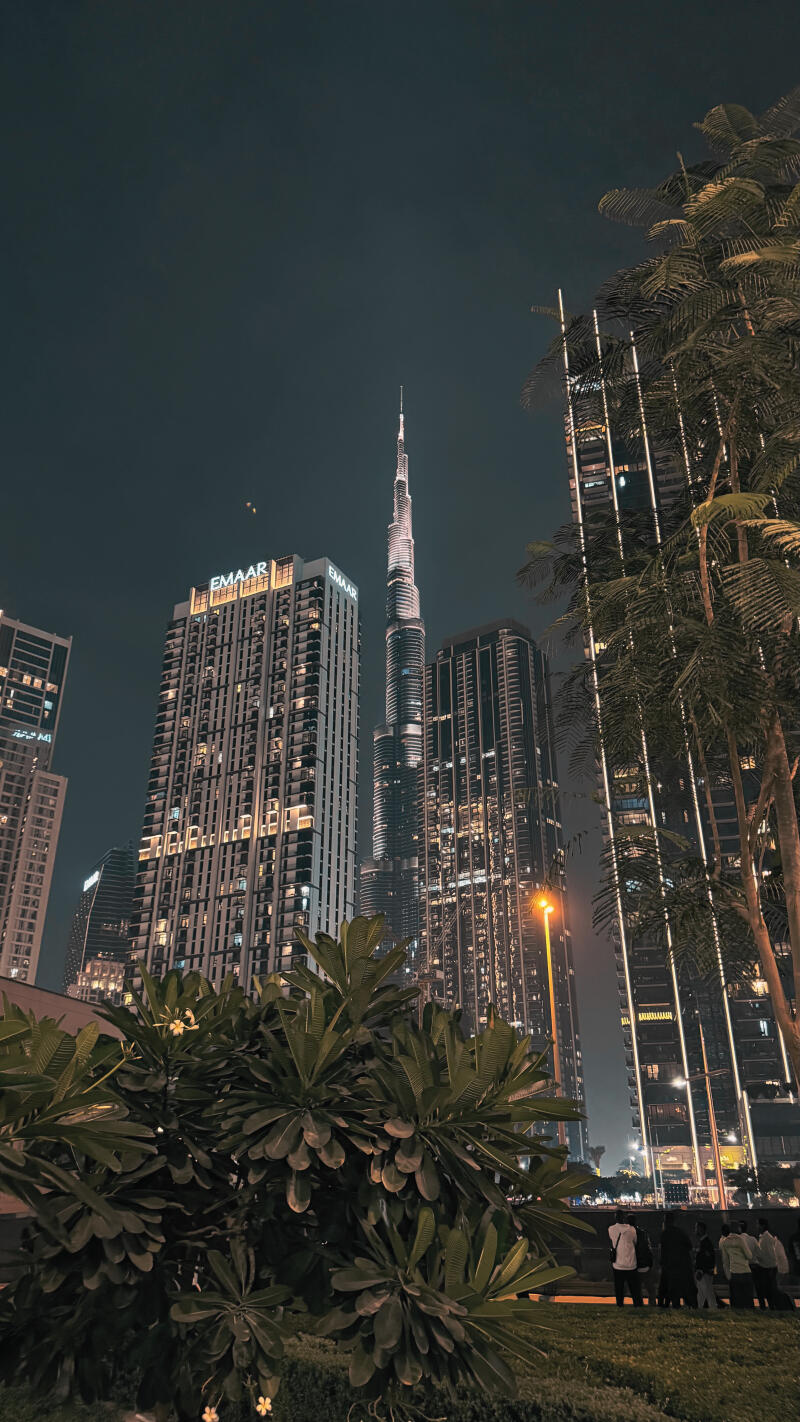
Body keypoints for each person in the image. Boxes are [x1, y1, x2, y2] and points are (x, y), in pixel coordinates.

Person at [658, 1212, 696, 1307]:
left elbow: (663, 1251)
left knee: (668, 1287)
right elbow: (689, 1246)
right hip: (680, 1265)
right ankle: (681, 1304)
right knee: (679, 1287)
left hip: (669, 1266)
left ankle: (667, 1304)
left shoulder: (665, 1234)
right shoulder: (680, 1232)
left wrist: (662, 1263)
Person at [608, 1208, 642, 1306]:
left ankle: (620, 1304)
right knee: (634, 1287)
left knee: (619, 1287)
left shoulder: (611, 1229)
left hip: (618, 1264)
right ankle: (637, 1304)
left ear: (615, 1217)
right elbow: (635, 1242)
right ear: (624, 1218)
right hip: (631, 1263)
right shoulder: (632, 1229)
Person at [720, 1222, 755, 1308]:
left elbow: (725, 1260)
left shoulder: (725, 1242)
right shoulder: (740, 1240)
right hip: (745, 1271)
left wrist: (728, 1275)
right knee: (747, 1297)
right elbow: (749, 1256)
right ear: (737, 1228)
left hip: (734, 1272)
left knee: (737, 1298)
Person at [752, 1218, 784, 1309]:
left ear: (762, 1226)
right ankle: (771, 1307)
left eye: (758, 1224)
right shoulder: (766, 1237)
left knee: (766, 1289)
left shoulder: (765, 1238)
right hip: (769, 1267)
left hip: (767, 1268)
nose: (756, 1226)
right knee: (769, 1289)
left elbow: (767, 1254)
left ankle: (768, 1307)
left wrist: (756, 1257)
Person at [627, 1212, 656, 1306]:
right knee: (650, 1289)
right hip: (644, 1265)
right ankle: (652, 1304)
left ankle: (638, 1305)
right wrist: (650, 1262)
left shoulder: (625, 1235)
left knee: (636, 1289)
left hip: (633, 1265)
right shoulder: (642, 1233)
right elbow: (648, 1248)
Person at [694, 1220, 717, 1310]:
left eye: (696, 1228)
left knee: (707, 1292)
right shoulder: (705, 1242)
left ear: (701, 1229)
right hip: (704, 1272)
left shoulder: (705, 1243)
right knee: (702, 1293)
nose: (695, 1230)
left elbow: (707, 1259)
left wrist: (701, 1270)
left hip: (704, 1273)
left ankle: (712, 1309)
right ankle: (700, 1308)